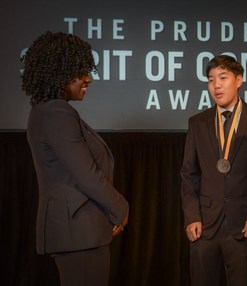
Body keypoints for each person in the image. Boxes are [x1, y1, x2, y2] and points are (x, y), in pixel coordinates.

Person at [21, 31, 129, 286]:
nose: (88, 79)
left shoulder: (44, 111)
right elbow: (86, 173)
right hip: (78, 232)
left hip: (76, 232)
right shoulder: (57, 112)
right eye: (80, 72)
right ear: (60, 72)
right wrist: (121, 207)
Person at [180, 55, 247, 286]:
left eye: (223, 78)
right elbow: (189, 174)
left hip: (246, 225)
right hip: (204, 227)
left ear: (239, 80)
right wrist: (192, 216)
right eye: (210, 80)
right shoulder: (197, 122)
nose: (216, 85)